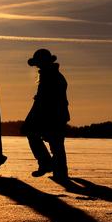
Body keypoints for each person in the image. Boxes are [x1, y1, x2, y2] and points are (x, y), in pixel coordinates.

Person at [22, 49, 70, 179]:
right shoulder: (50, 75)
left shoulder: (51, 76)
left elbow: (45, 100)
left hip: (53, 116)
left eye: (38, 63)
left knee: (54, 143)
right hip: (55, 115)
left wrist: (32, 118)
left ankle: (48, 165)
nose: (37, 66)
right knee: (56, 144)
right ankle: (57, 171)